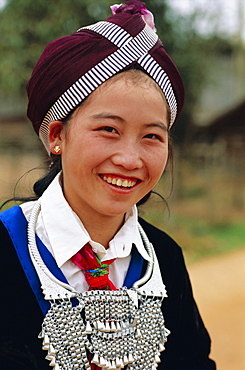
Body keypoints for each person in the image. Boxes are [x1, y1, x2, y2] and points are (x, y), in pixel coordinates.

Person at [0, 1, 216, 369]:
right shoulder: (6, 251)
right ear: (57, 135)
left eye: (152, 136)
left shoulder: (165, 259)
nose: (130, 159)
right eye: (108, 130)